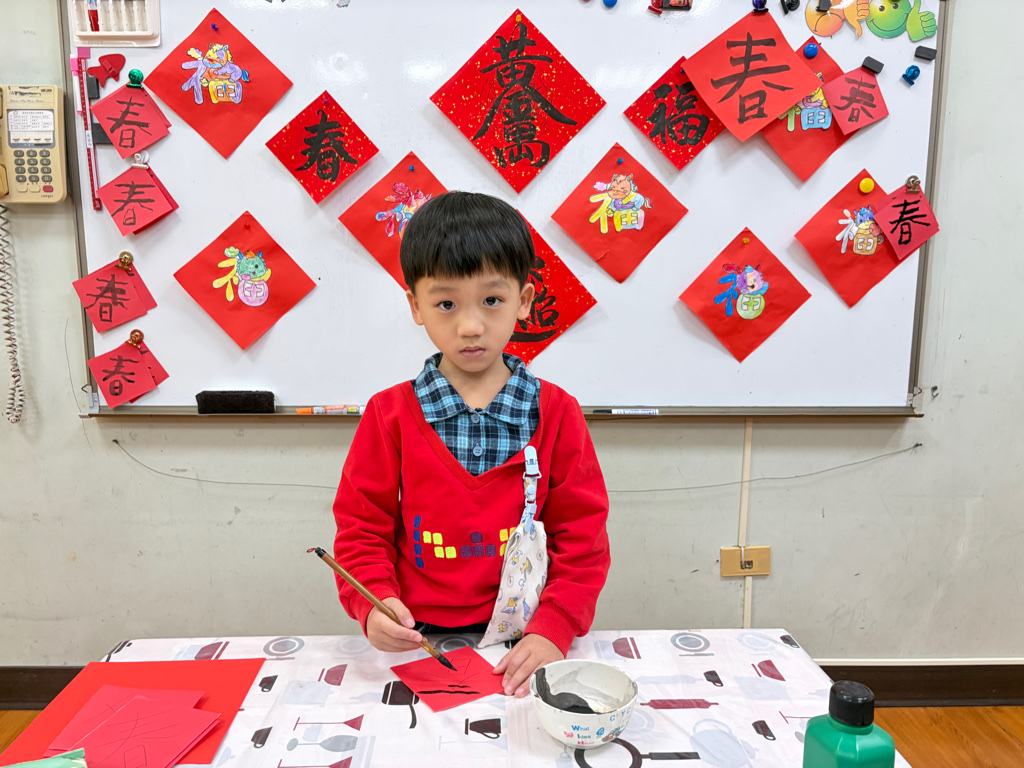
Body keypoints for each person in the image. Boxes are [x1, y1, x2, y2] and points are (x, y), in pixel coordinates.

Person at [333, 191, 610, 697]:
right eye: (446, 303)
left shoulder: (556, 411)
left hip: (528, 640)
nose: (470, 326)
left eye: (492, 300)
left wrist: (556, 627)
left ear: (524, 300)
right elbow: (362, 528)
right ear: (415, 306)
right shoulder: (389, 414)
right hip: (417, 637)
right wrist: (372, 603)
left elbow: (582, 537)